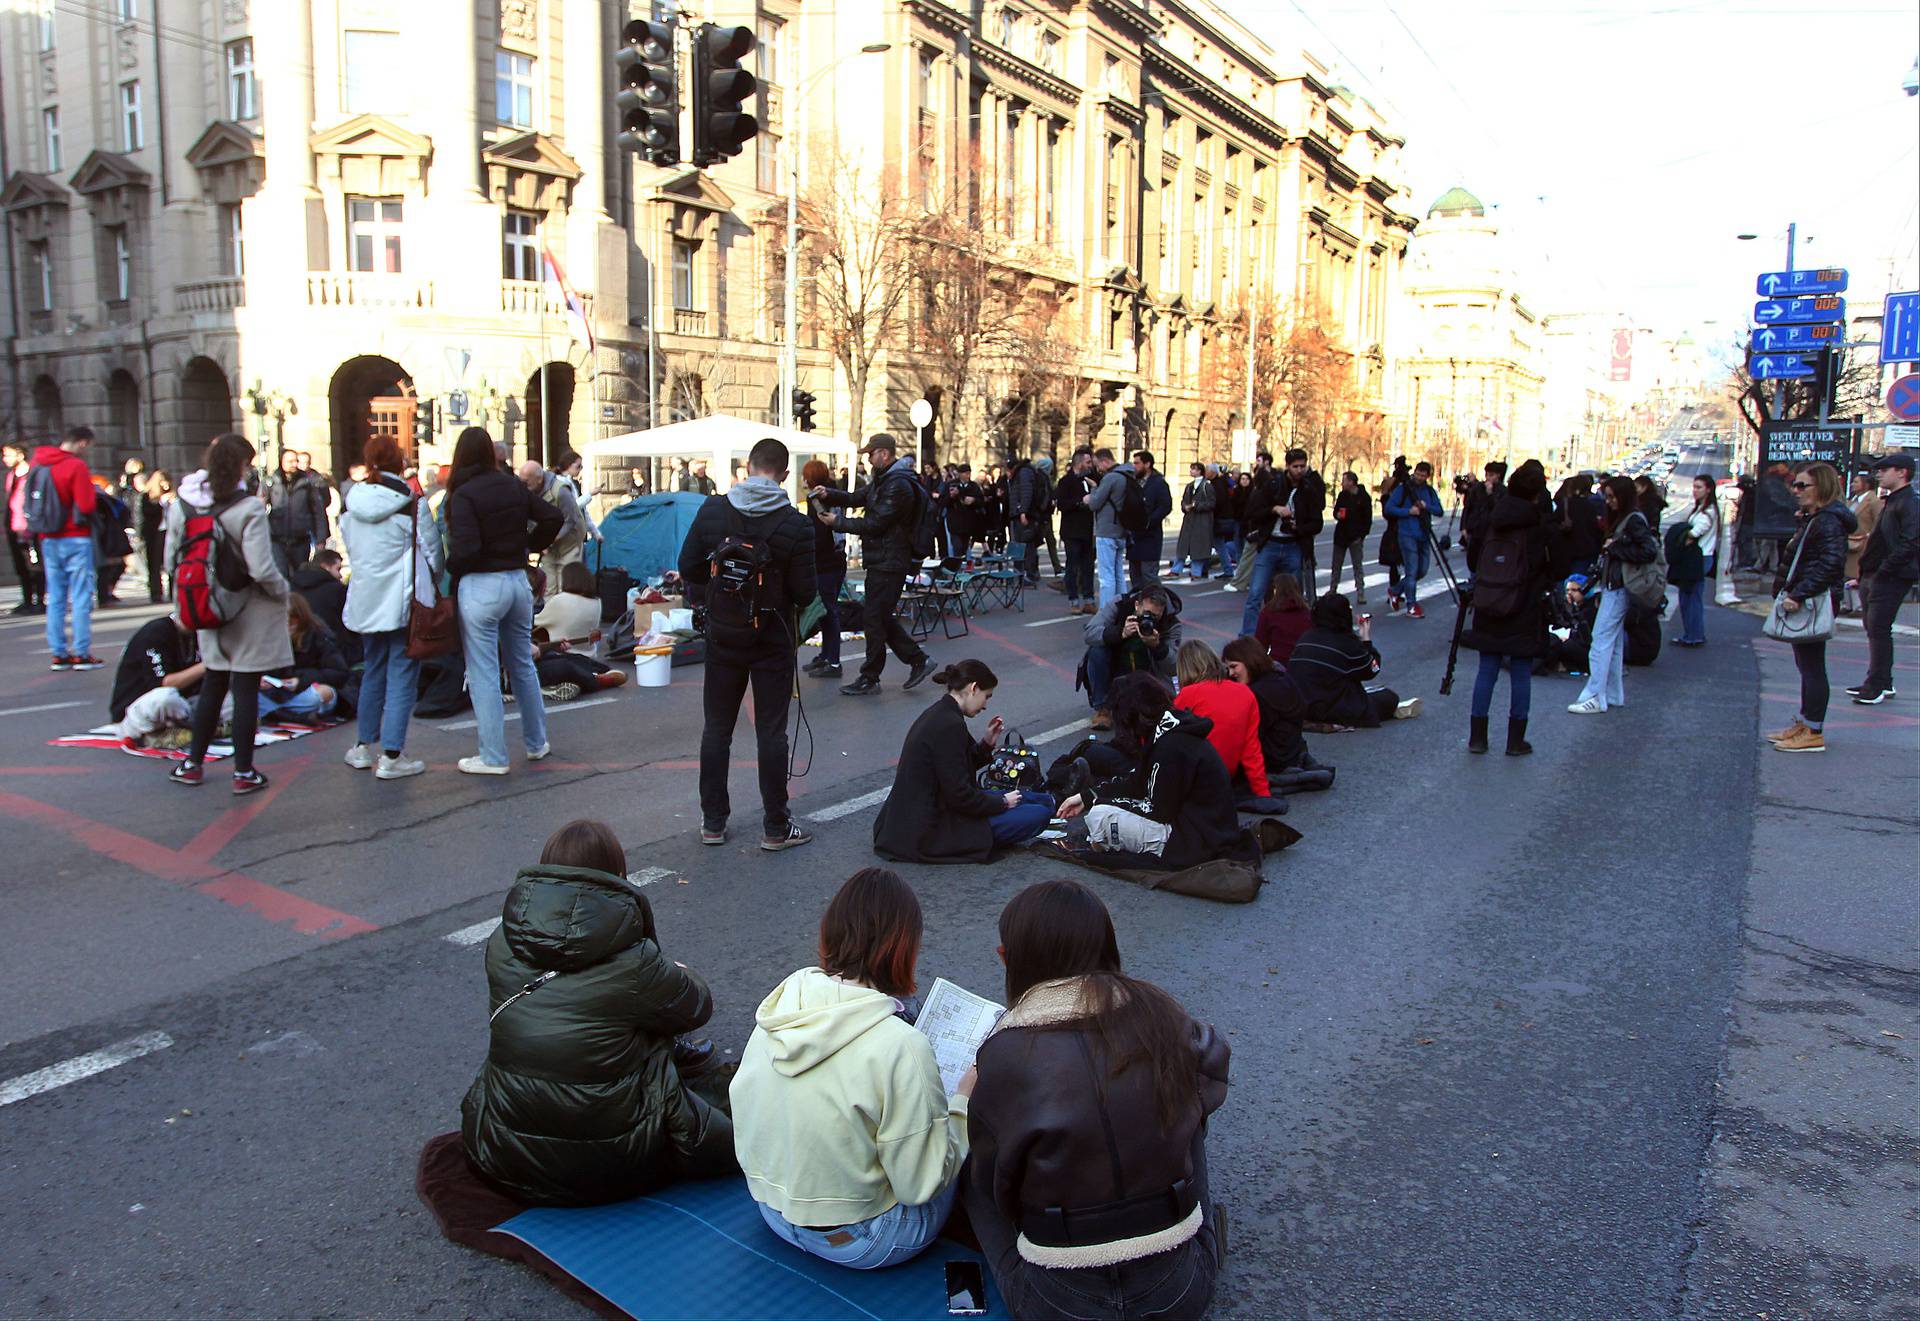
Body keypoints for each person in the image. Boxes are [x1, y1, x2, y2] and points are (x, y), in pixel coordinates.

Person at [964, 879, 1227, 1320]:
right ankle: (1200, 1236)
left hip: (1056, 1303)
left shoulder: (1003, 1052)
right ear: (1107, 947)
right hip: (1179, 1293)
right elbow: (1212, 1071)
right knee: (1185, 1110)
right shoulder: (1162, 1015)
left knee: (971, 1171)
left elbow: (998, 1187)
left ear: (1009, 959)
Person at [462, 819, 735, 1205]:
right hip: (609, 1162)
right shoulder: (633, 960)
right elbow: (696, 1006)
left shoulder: (501, 941)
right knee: (737, 1102)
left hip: (502, 1150)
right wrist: (677, 971)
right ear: (619, 875)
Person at [730, 869, 969, 1268]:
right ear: (905, 947)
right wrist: (963, 1104)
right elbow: (918, 1185)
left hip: (773, 1211)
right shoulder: (900, 1046)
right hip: (863, 1241)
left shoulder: (782, 1007)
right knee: (958, 1142)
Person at [681, 436, 817, 851]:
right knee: (771, 732)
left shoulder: (713, 511)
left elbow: (688, 566)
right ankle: (776, 826)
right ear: (784, 475)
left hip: (723, 636)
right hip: (772, 639)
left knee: (717, 729)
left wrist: (721, 595)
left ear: (748, 466)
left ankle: (713, 823)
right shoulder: (796, 525)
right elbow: (806, 592)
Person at [163, 433, 290, 794]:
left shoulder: (183, 505)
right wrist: (283, 592)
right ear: (240, 466)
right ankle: (244, 771)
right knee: (245, 687)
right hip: (247, 608)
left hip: (206, 605)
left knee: (214, 684)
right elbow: (262, 569)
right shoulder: (247, 508)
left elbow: (171, 560)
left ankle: (192, 763)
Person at [446, 428, 564, 775]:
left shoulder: (463, 494)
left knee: (483, 671)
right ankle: (536, 741)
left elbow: (465, 549)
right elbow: (552, 517)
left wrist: (453, 567)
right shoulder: (512, 485)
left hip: (482, 585)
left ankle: (494, 756)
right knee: (522, 664)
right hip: (517, 580)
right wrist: (529, 545)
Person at [1055, 672, 1259, 869]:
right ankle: (1101, 837)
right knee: (1104, 808)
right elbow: (1138, 781)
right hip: (1207, 829)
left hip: (1195, 840)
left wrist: (1099, 803)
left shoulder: (1169, 747)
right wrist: (1087, 797)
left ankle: (1099, 842)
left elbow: (1156, 810)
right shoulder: (1171, 730)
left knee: (1100, 816)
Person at [873, 660, 1058, 862]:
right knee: (1037, 814)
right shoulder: (949, 725)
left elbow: (956, 765)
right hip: (932, 824)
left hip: (928, 809)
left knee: (1035, 800)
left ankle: (1057, 801)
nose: (985, 705)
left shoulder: (942, 712)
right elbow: (960, 796)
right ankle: (1052, 805)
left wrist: (987, 744)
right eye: (986, 696)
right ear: (973, 688)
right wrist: (1002, 803)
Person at [340, 435, 441, 779]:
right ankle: (393, 755)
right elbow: (434, 552)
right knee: (402, 676)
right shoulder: (411, 503)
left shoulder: (352, 503)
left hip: (366, 600)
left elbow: (351, 551)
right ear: (400, 462)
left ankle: (363, 747)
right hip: (401, 601)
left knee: (373, 670)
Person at [810, 435, 935, 697]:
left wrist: (838, 523)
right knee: (877, 616)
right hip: (883, 559)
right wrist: (828, 493)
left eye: (871, 453)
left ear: (885, 454)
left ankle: (871, 676)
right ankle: (917, 660)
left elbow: (876, 524)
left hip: (891, 561)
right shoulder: (885, 479)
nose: (868, 458)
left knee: (874, 618)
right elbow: (856, 498)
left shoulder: (898, 484)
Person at [1459, 459, 1553, 755]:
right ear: (1537, 494)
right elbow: (1553, 566)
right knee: (1521, 672)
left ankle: (1477, 737)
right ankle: (1515, 740)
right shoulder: (1537, 524)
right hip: (1523, 604)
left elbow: (1474, 557)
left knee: (1487, 668)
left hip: (1489, 600)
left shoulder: (1494, 517)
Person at [1766, 462, 1854, 754]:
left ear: (1823, 488)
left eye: (1803, 486)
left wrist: (1799, 594)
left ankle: (1813, 730)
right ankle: (1806, 723)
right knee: (1806, 665)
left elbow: (1829, 564)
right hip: (1808, 597)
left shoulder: (1828, 522)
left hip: (1813, 600)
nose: (1796, 490)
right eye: (1796, 484)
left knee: (1813, 666)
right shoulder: (1818, 519)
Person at [1564, 475, 1658, 716]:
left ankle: (1595, 695)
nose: (1609, 501)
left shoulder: (1632, 520)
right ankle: (1612, 694)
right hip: (1618, 584)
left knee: (1601, 639)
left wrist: (1615, 548)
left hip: (1618, 586)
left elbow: (1648, 551)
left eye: (1612, 497)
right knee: (1612, 642)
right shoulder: (1629, 518)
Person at [1848, 453, 1918, 706]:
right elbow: (1878, 541)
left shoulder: (1909, 502)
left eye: (1885, 469)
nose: (1878, 473)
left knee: (1878, 629)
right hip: (1877, 573)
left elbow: (1910, 542)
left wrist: (1884, 570)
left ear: (1902, 472)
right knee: (1874, 628)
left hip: (1890, 575)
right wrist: (1864, 572)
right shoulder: (1893, 501)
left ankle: (1876, 685)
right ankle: (1881, 682)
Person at [34, 426, 102, 670]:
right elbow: (85, 504)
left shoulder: (39, 464)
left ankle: (58, 652)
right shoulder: (76, 466)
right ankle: (82, 653)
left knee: (56, 596)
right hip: (75, 536)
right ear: (82, 443)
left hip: (48, 536)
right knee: (82, 595)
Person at [1171, 639, 1270, 801]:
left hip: (1197, 780)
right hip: (1225, 776)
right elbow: (1251, 749)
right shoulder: (1245, 692)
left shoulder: (1188, 694)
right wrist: (1263, 793)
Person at [1289, 592, 1403, 727]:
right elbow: (1372, 669)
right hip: (1335, 708)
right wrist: (1366, 639)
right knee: (1389, 697)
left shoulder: (1306, 638)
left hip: (1304, 706)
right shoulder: (1345, 642)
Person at [1081, 583, 1181, 731]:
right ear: (1136, 605)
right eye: (1146, 614)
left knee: (1158, 716)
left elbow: (1174, 668)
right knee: (1097, 651)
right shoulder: (1119, 605)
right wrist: (1119, 633)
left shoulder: (1171, 623)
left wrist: (1157, 647)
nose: (1149, 620)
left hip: (1150, 674)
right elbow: (1089, 633)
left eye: (1155, 616)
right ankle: (1103, 708)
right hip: (1117, 668)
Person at [1221, 635, 1320, 780]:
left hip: (1274, 759)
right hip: (1292, 751)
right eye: (1228, 668)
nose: (1231, 673)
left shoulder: (1257, 694)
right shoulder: (1280, 677)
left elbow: (1250, 738)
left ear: (1249, 661)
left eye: (1234, 666)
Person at [109, 611, 204, 745]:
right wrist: (207, 665)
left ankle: (191, 726)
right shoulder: (156, 633)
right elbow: (164, 683)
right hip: (136, 712)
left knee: (231, 698)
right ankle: (160, 733)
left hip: (183, 705)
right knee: (165, 698)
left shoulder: (198, 633)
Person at [258, 594, 347, 724]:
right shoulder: (269, 637)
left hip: (305, 690)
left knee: (322, 694)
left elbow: (339, 673)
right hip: (276, 693)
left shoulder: (318, 636)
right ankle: (289, 715)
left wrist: (300, 680)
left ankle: (278, 714)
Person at [798, 460, 848, 680]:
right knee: (828, 611)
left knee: (828, 611)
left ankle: (833, 661)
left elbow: (819, 533)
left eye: (804, 475)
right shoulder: (834, 494)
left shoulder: (816, 499)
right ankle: (826, 655)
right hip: (836, 559)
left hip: (826, 562)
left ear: (810, 478)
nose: (801, 479)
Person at [1383, 461, 1443, 618]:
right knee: (1411, 570)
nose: (1419, 477)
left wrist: (1426, 506)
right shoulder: (1403, 489)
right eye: (1417, 474)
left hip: (1424, 533)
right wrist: (1408, 511)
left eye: (1423, 475)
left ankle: (1395, 590)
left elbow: (1439, 510)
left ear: (1427, 476)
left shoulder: (1429, 491)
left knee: (1421, 570)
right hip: (1407, 534)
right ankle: (1411, 604)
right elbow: (1389, 508)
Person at [1669, 475, 1720, 647]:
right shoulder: (1701, 509)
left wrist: (1684, 536)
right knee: (1688, 597)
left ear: (1708, 489)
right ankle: (1691, 633)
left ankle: (1694, 635)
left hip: (1700, 558)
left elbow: (1694, 533)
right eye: (1694, 487)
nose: (1695, 490)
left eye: (1699, 487)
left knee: (1692, 597)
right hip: (1697, 558)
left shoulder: (1708, 512)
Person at [519, 460, 586, 590]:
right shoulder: (527, 492)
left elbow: (570, 520)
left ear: (539, 479)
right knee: (548, 588)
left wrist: (549, 540)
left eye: (526, 482)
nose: (522, 485)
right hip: (547, 548)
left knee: (566, 588)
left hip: (568, 546)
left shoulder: (561, 491)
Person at [289, 547, 356, 666]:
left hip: (298, 653)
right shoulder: (337, 590)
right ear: (325, 566)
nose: (340, 575)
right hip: (337, 652)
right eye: (338, 569)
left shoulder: (291, 587)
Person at [265, 450, 328, 576]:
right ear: (281, 462)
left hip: (300, 539)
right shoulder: (271, 482)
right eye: (290, 461)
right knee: (281, 573)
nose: (294, 464)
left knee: (301, 574)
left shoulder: (307, 482)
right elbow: (261, 508)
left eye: (296, 461)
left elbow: (318, 511)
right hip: (277, 538)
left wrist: (321, 538)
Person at [1084, 448, 1131, 609]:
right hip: (1121, 529)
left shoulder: (1111, 478)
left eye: (1098, 465)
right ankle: (1122, 607)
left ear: (1105, 461)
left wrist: (1093, 490)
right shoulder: (1128, 474)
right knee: (1118, 573)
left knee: (1106, 576)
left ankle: (1106, 612)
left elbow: (1095, 503)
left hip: (1107, 530)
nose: (1098, 469)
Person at [1054, 448, 1097, 614]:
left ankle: (1089, 599)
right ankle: (1073, 600)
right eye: (1087, 462)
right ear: (1079, 463)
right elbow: (1062, 504)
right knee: (1072, 567)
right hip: (1072, 531)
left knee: (1088, 566)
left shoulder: (1091, 478)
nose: (1090, 465)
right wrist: (1080, 502)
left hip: (1087, 530)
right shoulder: (1066, 481)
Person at [4, 442, 44, 615]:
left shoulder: (32, 475)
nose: (5, 459)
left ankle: (39, 600)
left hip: (30, 528)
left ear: (20, 455)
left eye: (8, 455)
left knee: (35, 565)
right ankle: (27, 600)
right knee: (21, 566)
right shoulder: (12, 475)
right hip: (14, 527)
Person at [532, 561, 603, 645]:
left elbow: (535, 621)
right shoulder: (597, 602)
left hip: (561, 653)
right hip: (589, 654)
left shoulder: (560, 600)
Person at [1842, 470, 1881, 616]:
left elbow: (1879, 522)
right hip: (1849, 541)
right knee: (1846, 573)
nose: (1852, 484)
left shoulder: (1874, 502)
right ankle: (1847, 604)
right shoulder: (1853, 500)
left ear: (1866, 485)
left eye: (1856, 482)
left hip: (1863, 543)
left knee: (1856, 574)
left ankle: (1858, 606)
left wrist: (1869, 537)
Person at [1170, 460, 1215, 583]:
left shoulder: (1207, 485)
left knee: (1198, 548)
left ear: (1200, 471)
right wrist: (1186, 507)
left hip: (1201, 521)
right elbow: (1184, 501)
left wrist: (1197, 505)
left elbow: (1212, 503)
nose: (1191, 471)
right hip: (1189, 520)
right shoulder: (1189, 486)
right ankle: (1176, 569)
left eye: (1194, 469)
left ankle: (1196, 572)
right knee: (1183, 547)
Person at [1460, 461, 1506, 579]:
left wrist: (1490, 494)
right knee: (1473, 559)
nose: (1488, 478)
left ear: (1498, 476)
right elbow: (1468, 507)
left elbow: (1499, 509)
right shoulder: (1477, 488)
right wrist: (1464, 526)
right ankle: (1473, 581)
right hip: (1475, 529)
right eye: (1487, 475)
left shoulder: (1502, 491)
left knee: (1488, 560)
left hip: (1491, 531)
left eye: (1492, 475)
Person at [1254, 571, 1312, 664]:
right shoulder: (1306, 612)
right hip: (1304, 661)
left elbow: (1260, 644)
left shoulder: (1268, 612)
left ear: (1275, 590)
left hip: (1280, 662)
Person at [1006, 455, 1047, 587]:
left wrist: (1023, 511)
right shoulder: (1028, 471)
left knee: (1025, 545)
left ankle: (1027, 574)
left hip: (1024, 515)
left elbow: (1026, 492)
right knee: (1026, 545)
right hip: (1026, 513)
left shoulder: (1023, 473)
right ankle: (1027, 573)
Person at [1331, 471, 1372, 601]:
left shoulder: (1363, 497)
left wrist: (1361, 536)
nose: (1342, 483)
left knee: (1357, 565)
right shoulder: (1342, 495)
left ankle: (1360, 591)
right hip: (1341, 535)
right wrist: (1337, 514)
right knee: (1336, 565)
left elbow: (1367, 519)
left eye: (1344, 481)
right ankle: (1333, 589)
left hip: (1355, 537)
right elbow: (1336, 510)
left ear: (1351, 482)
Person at [137, 468, 173, 603]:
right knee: (154, 563)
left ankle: (172, 592)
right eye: (163, 482)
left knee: (170, 561)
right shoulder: (146, 496)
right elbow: (144, 515)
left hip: (167, 531)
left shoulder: (171, 495)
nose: (166, 485)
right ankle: (156, 592)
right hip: (154, 533)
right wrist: (161, 503)